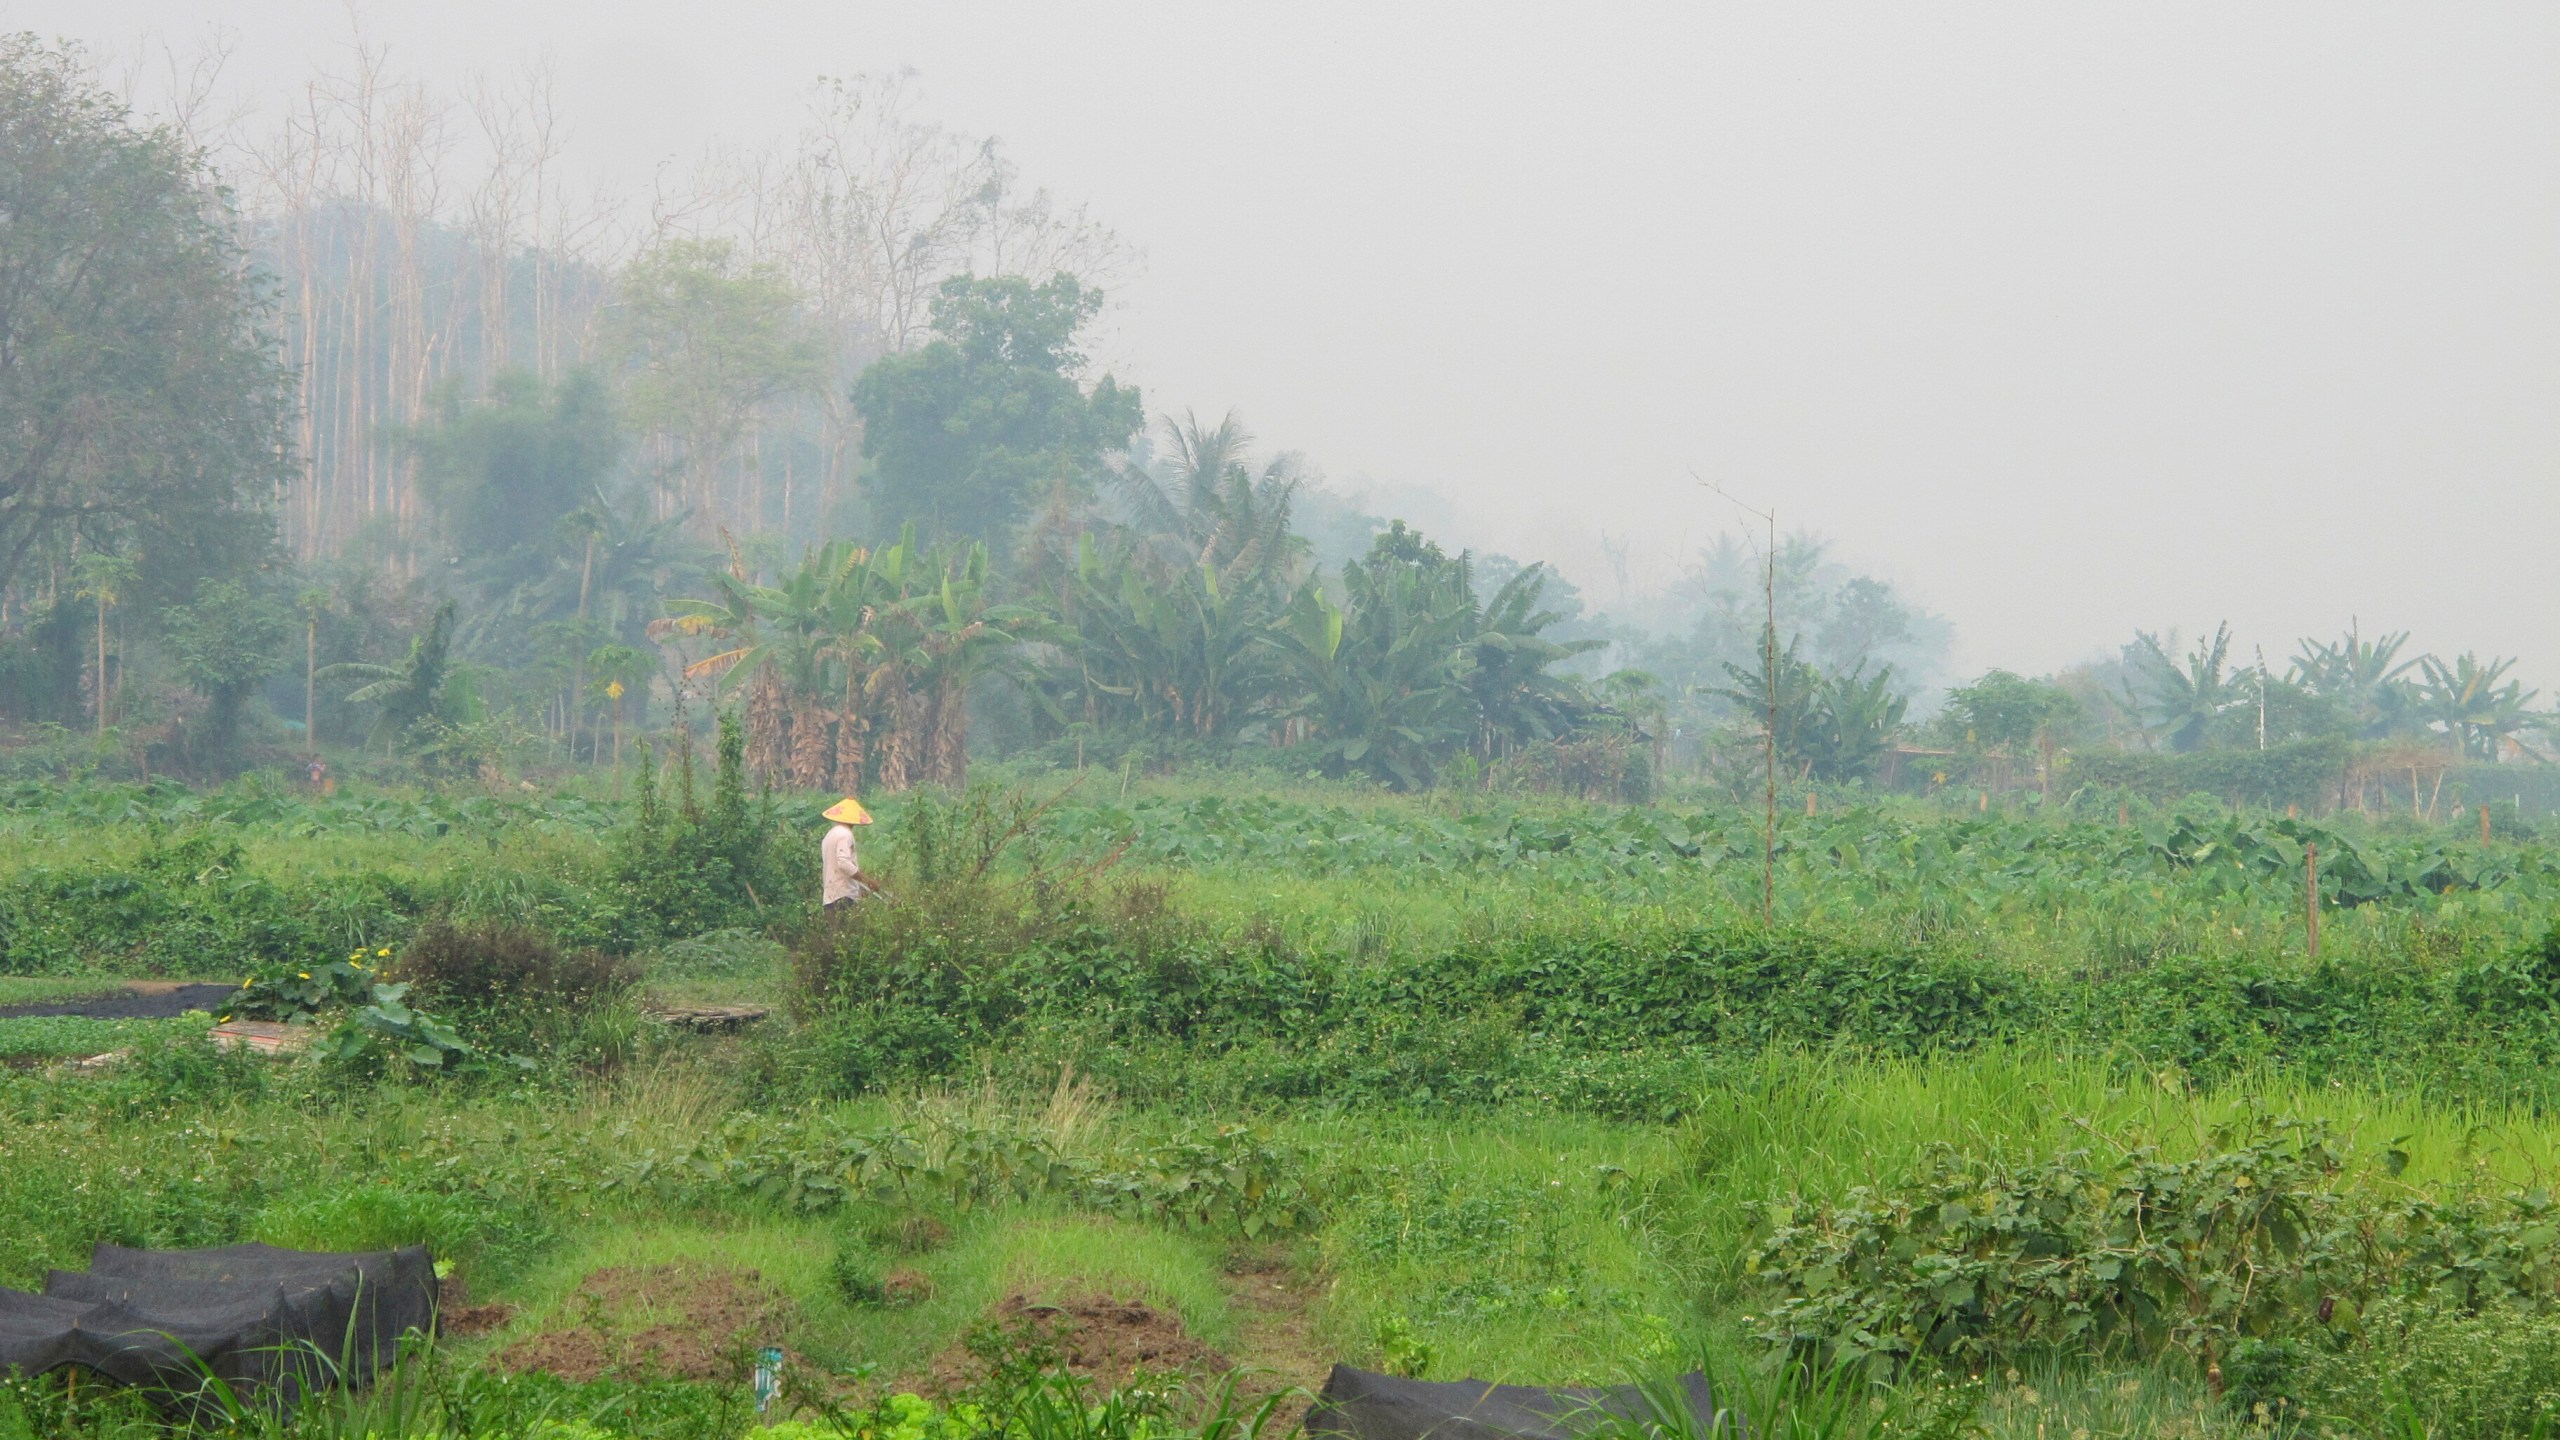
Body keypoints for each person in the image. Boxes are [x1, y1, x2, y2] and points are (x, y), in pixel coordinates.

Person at [820, 796, 875, 911]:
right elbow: (844, 863)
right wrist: (867, 881)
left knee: (835, 929)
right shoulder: (845, 834)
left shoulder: (830, 835)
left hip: (829, 897)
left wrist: (860, 888)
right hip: (843, 895)